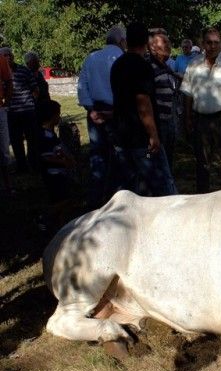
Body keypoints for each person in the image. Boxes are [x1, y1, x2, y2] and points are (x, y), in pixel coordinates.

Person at [110, 22, 177, 197]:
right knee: (161, 183)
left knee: (130, 186)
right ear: (146, 43)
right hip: (141, 140)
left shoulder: (117, 65)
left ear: (126, 41)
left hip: (121, 137)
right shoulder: (142, 66)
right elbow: (143, 103)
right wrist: (153, 135)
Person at [181, 27, 221, 193]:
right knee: (202, 163)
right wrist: (187, 118)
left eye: (216, 42)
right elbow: (187, 95)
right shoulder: (193, 65)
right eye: (209, 42)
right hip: (201, 120)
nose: (213, 46)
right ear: (203, 43)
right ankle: (203, 198)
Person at [78, 25, 126, 208]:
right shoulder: (122, 58)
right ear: (122, 41)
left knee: (98, 156)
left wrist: (91, 110)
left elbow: (82, 87)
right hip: (116, 111)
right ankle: (116, 200)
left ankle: (95, 200)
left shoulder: (91, 58)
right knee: (119, 155)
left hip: (95, 110)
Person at [36, 99, 76, 231]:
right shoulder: (44, 136)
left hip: (59, 172)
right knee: (64, 199)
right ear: (52, 116)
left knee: (64, 199)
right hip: (52, 174)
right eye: (58, 114)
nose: (59, 117)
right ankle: (44, 216)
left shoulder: (50, 133)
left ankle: (61, 226)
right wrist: (64, 162)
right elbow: (46, 156)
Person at [3, 47, 39, 173]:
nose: (8, 57)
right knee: (16, 140)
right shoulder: (2, 74)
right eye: (4, 55)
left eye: (9, 55)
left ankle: (33, 164)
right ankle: (22, 166)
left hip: (27, 110)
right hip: (12, 112)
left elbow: (35, 89)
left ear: (13, 56)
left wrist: (32, 103)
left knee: (32, 138)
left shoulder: (24, 70)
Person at [148, 31, 180, 171]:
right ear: (153, 47)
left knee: (167, 159)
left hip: (169, 120)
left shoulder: (165, 66)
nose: (169, 45)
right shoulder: (149, 67)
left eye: (169, 42)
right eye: (164, 43)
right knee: (158, 161)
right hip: (158, 123)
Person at [0, 50, 13, 194]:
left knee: (3, 149)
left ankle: (8, 185)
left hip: (0, 109)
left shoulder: (1, 58)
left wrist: (6, 102)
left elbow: (9, 81)